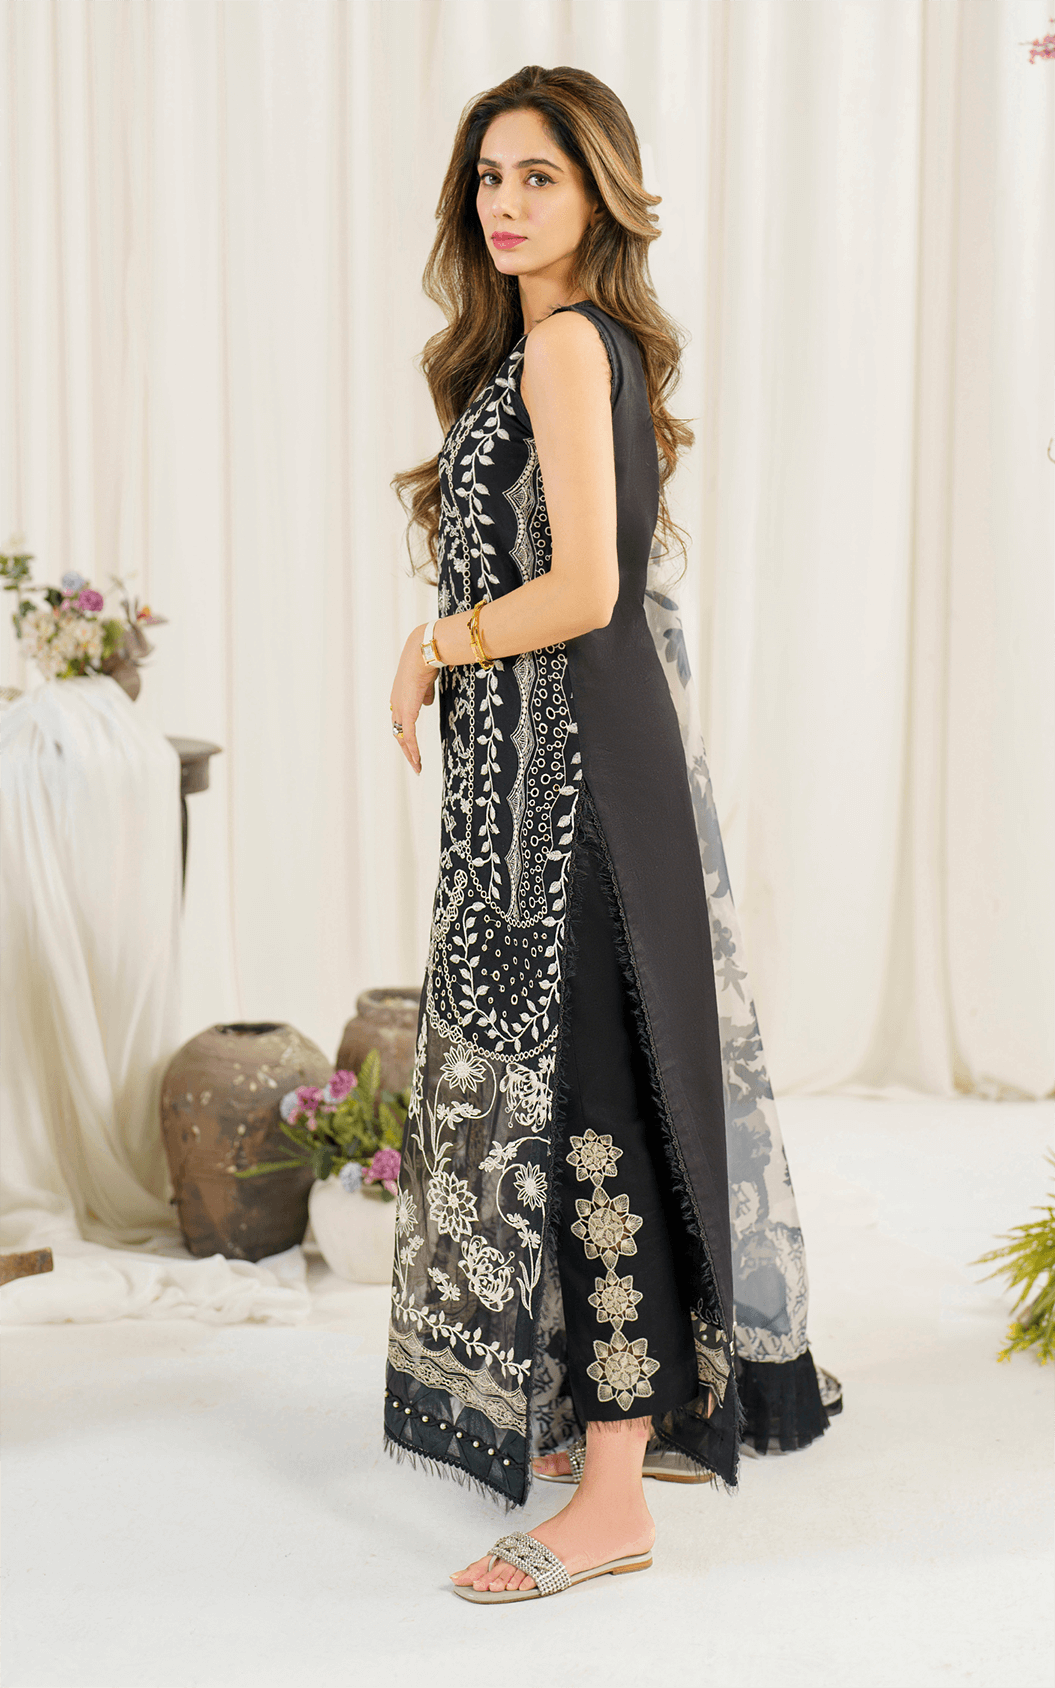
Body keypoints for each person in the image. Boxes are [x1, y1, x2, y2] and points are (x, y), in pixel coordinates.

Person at [386, 64, 834, 1606]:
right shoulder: (548, 349)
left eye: (540, 177)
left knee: (588, 1099)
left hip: (570, 780)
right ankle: (625, 1421)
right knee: (584, 1084)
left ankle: (616, 1492)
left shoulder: (572, 345)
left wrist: (430, 646)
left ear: (599, 197)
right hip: (550, 769)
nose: (506, 204)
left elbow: (583, 590)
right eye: (489, 178)